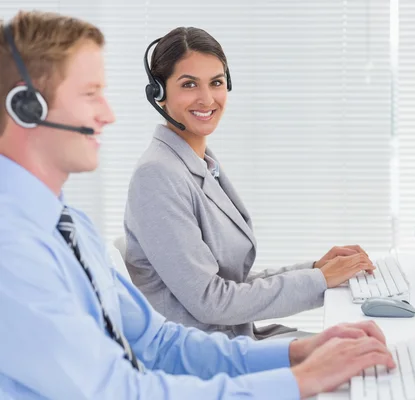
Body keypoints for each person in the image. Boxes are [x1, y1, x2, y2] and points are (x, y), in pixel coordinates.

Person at [0, 11, 395, 399]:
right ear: (26, 108)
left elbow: (159, 343)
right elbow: (118, 390)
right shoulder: (14, 250)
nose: (109, 114)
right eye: (90, 94)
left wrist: (298, 352)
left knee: (375, 372)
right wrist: (298, 380)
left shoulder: (70, 225)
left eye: (216, 82)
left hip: (202, 359)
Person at [124, 26, 376, 340]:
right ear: (158, 94)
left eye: (216, 82)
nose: (207, 98)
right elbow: (210, 300)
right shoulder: (158, 176)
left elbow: (232, 283)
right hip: (206, 357)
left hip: (233, 338)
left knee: (363, 342)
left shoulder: (199, 163)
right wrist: (320, 280)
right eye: (189, 84)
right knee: (361, 353)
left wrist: (316, 269)